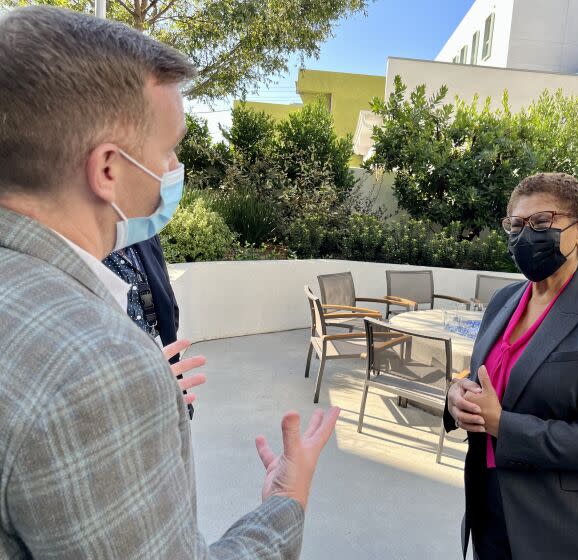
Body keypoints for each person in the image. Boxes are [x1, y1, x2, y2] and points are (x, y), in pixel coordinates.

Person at [0, 6, 338, 558]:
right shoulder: (98, 368)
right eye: (167, 147)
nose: (174, 165)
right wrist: (286, 502)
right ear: (109, 169)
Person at [445, 172, 578, 559]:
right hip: (491, 504)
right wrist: (457, 396)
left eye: (541, 222)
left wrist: (502, 424)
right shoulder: (504, 300)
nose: (525, 235)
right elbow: (486, 380)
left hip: (564, 525)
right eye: (516, 225)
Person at [104, 235, 201, 418]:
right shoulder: (83, 245)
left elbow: (166, 295)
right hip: (118, 377)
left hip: (160, 357)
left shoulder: (142, 233)